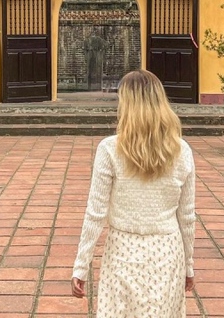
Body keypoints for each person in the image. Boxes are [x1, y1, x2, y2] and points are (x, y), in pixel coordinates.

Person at [71, 70, 195, 317]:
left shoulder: (109, 149)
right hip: (168, 252)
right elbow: (187, 217)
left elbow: (96, 213)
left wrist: (81, 266)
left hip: (123, 251)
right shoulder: (181, 150)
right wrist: (189, 265)